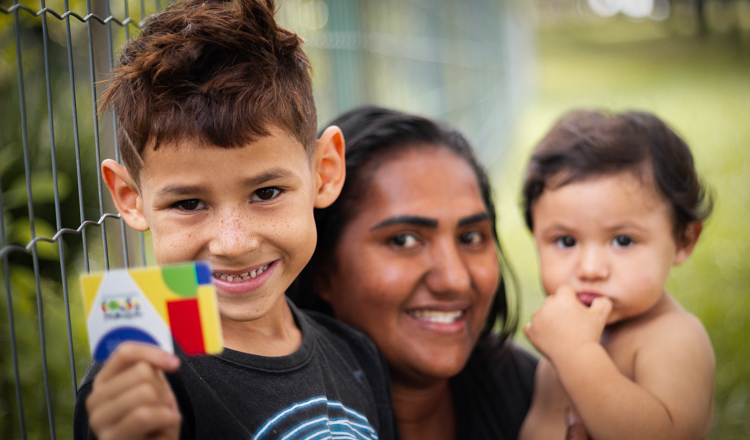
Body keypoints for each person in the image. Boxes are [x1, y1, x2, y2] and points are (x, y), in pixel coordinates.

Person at [72, 1, 396, 439]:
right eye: (188, 204)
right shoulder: (141, 383)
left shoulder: (356, 356)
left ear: (325, 172)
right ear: (131, 199)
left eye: (266, 193)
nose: (233, 243)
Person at [290, 106, 539, 440]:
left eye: (470, 237)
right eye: (404, 240)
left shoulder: (528, 391)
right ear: (320, 267)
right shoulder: (260, 415)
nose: (454, 279)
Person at [518, 109, 715, 440]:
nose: (590, 269)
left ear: (683, 240)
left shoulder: (673, 337)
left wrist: (576, 353)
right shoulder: (566, 338)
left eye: (623, 241)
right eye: (566, 241)